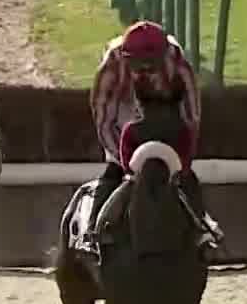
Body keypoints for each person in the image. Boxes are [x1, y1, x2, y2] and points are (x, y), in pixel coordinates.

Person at [81, 19, 219, 251]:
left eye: (151, 64)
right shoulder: (112, 66)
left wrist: (181, 161)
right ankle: (93, 231)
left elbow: (191, 116)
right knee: (113, 173)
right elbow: (104, 120)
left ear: (163, 56)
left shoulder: (176, 62)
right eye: (138, 65)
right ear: (126, 58)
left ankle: (201, 227)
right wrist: (127, 163)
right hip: (123, 113)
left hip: (166, 113)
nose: (145, 71)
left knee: (185, 177)